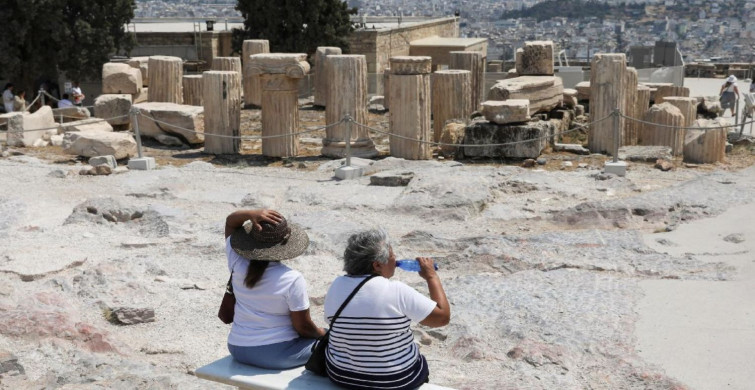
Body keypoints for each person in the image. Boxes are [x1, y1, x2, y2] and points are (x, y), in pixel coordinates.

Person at [323, 229, 450, 390]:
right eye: (392, 255)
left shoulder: (337, 285)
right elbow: (442, 318)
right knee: (420, 361)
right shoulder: (396, 290)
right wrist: (431, 276)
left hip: (341, 376)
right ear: (377, 265)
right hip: (394, 380)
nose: (395, 259)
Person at [224, 209, 325, 369]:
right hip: (276, 355)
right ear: (285, 244)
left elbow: (231, 222)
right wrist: (323, 334)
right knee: (333, 347)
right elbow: (303, 327)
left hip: (237, 347)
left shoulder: (237, 262)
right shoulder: (292, 279)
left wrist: (251, 213)